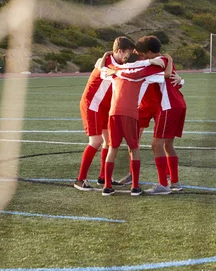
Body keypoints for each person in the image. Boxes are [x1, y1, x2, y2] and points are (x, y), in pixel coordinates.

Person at [74, 37, 161, 191]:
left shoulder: (113, 61)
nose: (129, 57)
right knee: (95, 141)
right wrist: (150, 62)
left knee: (108, 142)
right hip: (94, 105)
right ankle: (80, 179)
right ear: (119, 52)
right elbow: (122, 67)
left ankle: (103, 178)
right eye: (127, 53)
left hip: (106, 107)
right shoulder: (109, 62)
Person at [98, 38, 167, 196]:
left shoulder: (115, 72)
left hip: (114, 114)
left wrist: (107, 55)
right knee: (134, 148)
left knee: (112, 148)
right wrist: (157, 62)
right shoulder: (141, 74)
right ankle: (135, 186)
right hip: (130, 114)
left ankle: (107, 186)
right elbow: (163, 75)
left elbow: (102, 68)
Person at [130, 35, 186, 195]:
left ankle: (163, 184)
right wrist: (181, 80)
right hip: (178, 104)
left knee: (156, 145)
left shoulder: (158, 62)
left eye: (142, 55)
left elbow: (138, 70)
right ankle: (174, 182)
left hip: (168, 106)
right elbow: (173, 78)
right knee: (168, 145)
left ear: (149, 53)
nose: (142, 57)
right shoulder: (166, 60)